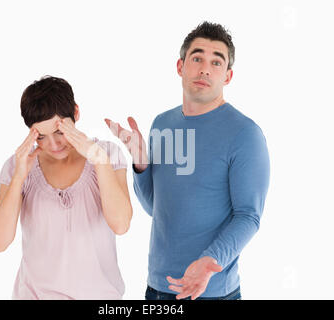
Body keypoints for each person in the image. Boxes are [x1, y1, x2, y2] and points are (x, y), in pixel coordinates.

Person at [105, 21, 270, 300]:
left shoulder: (245, 134)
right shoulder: (162, 124)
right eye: (197, 58)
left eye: (216, 62)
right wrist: (141, 165)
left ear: (227, 76)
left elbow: (249, 216)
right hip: (157, 288)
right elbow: (156, 209)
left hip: (212, 292)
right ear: (180, 67)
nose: (205, 68)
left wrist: (209, 262)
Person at [0, 76, 132, 300]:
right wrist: (18, 177)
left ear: (76, 113)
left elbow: (121, 224)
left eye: (59, 132)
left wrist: (98, 160)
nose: (53, 145)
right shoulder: (18, 166)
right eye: (41, 137)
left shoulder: (107, 155)